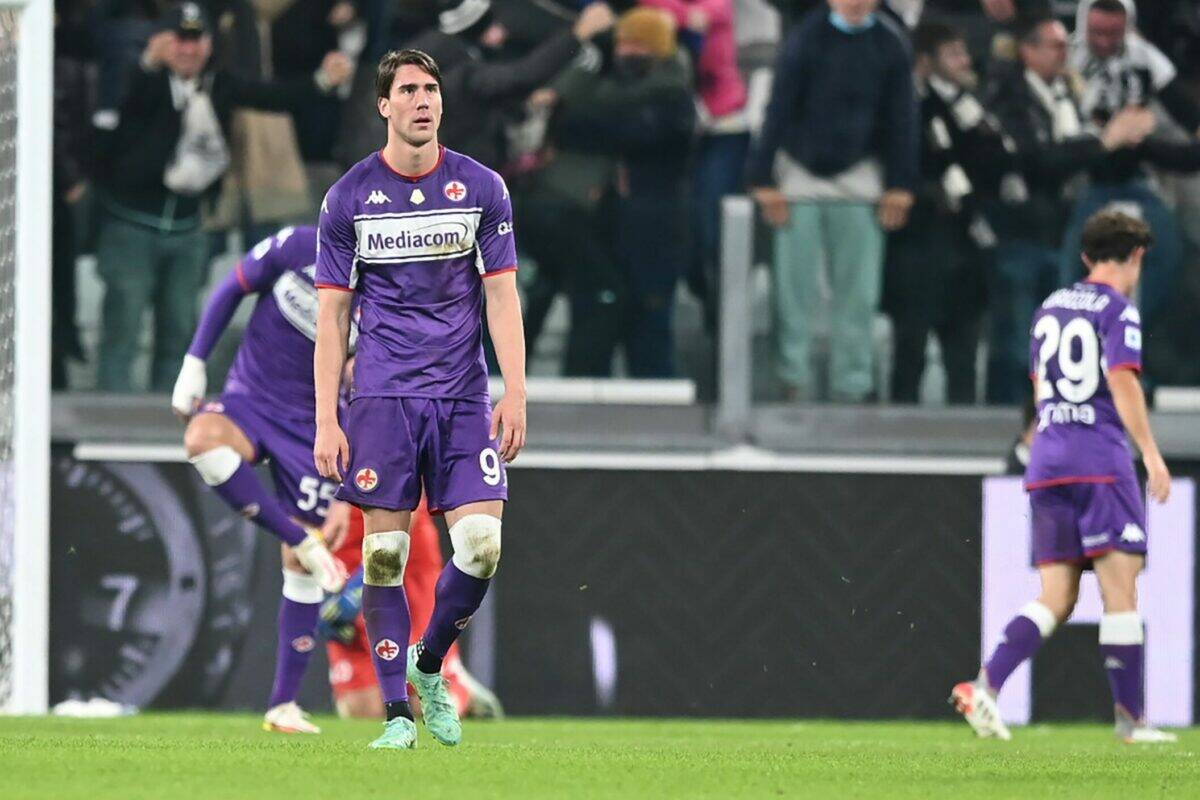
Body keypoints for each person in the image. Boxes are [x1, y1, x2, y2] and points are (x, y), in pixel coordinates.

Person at [313, 49, 526, 750]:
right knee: (385, 559)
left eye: (431, 89)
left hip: (462, 398)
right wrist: (326, 419)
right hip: (382, 400)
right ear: (384, 105)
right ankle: (397, 717)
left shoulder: (482, 187)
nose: (422, 100)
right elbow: (333, 317)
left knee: (482, 546)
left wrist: (516, 391)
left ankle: (429, 665)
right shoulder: (348, 197)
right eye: (407, 90)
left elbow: (502, 296)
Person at [951, 210, 1176, 744]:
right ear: (1137, 256)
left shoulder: (1049, 307)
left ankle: (985, 684)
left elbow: (1039, 387)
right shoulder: (1119, 310)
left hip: (1048, 460)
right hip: (1100, 461)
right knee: (1121, 590)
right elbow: (1122, 379)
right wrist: (1150, 453)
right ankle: (1132, 721)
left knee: (1057, 594)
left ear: (1085, 256)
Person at [92, 2, 352, 392]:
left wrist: (322, 81)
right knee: (122, 331)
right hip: (132, 226)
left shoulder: (218, 85)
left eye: (196, 39)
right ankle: (109, 423)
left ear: (210, 44)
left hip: (188, 227)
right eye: (179, 39)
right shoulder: (137, 78)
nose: (188, 49)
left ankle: (167, 419)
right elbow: (114, 126)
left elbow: (272, 96)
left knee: (179, 334)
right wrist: (147, 65)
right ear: (160, 41)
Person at [171, 225, 350, 733]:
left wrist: (349, 490)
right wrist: (194, 363)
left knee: (300, 564)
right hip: (251, 399)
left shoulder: (389, 290)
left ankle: (283, 705)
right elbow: (232, 287)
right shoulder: (300, 244)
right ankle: (297, 534)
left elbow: (372, 389)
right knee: (202, 438)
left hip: (316, 427)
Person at [747, 0, 917, 403]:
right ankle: (792, 380)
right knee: (793, 292)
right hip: (800, 176)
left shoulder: (890, 44)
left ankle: (852, 386)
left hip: (861, 178)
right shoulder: (805, 38)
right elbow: (778, 109)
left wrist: (901, 183)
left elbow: (903, 118)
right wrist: (760, 178)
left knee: (858, 295)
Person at [981, 13, 1153, 404]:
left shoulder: (1066, 95)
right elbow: (1038, 161)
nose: (1065, 54)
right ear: (1028, 51)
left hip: (1060, 229)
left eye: (1066, 46)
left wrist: (1118, 137)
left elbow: (1075, 153)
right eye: (1056, 46)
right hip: (1019, 229)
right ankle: (1003, 417)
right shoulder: (1008, 99)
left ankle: (1044, 418)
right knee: (1016, 336)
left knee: (1051, 337)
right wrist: (1104, 141)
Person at [884, 21, 1005, 403]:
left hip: (966, 251)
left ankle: (966, 430)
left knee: (963, 357)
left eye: (963, 52)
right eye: (953, 54)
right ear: (926, 62)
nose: (964, 61)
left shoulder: (972, 108)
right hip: (919, 249)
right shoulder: (909, 109)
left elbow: (996, 162)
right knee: (910, 353)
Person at [323, 499, 504, 720]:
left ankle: (457, 683)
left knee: (424, 702)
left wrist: (365, 578)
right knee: (362, 709)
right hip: (344, 546)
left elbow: (411, 497)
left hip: (404, 544)